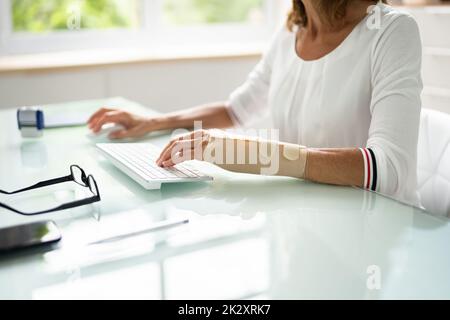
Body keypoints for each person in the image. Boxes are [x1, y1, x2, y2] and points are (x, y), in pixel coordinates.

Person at [87, 0, 422, 205]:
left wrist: (260, 156)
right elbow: (237, 109)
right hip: (311, 211)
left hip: (374, 227)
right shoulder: (292, 30)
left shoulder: (390, 30)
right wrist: (152, 122)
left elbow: (388, 168)